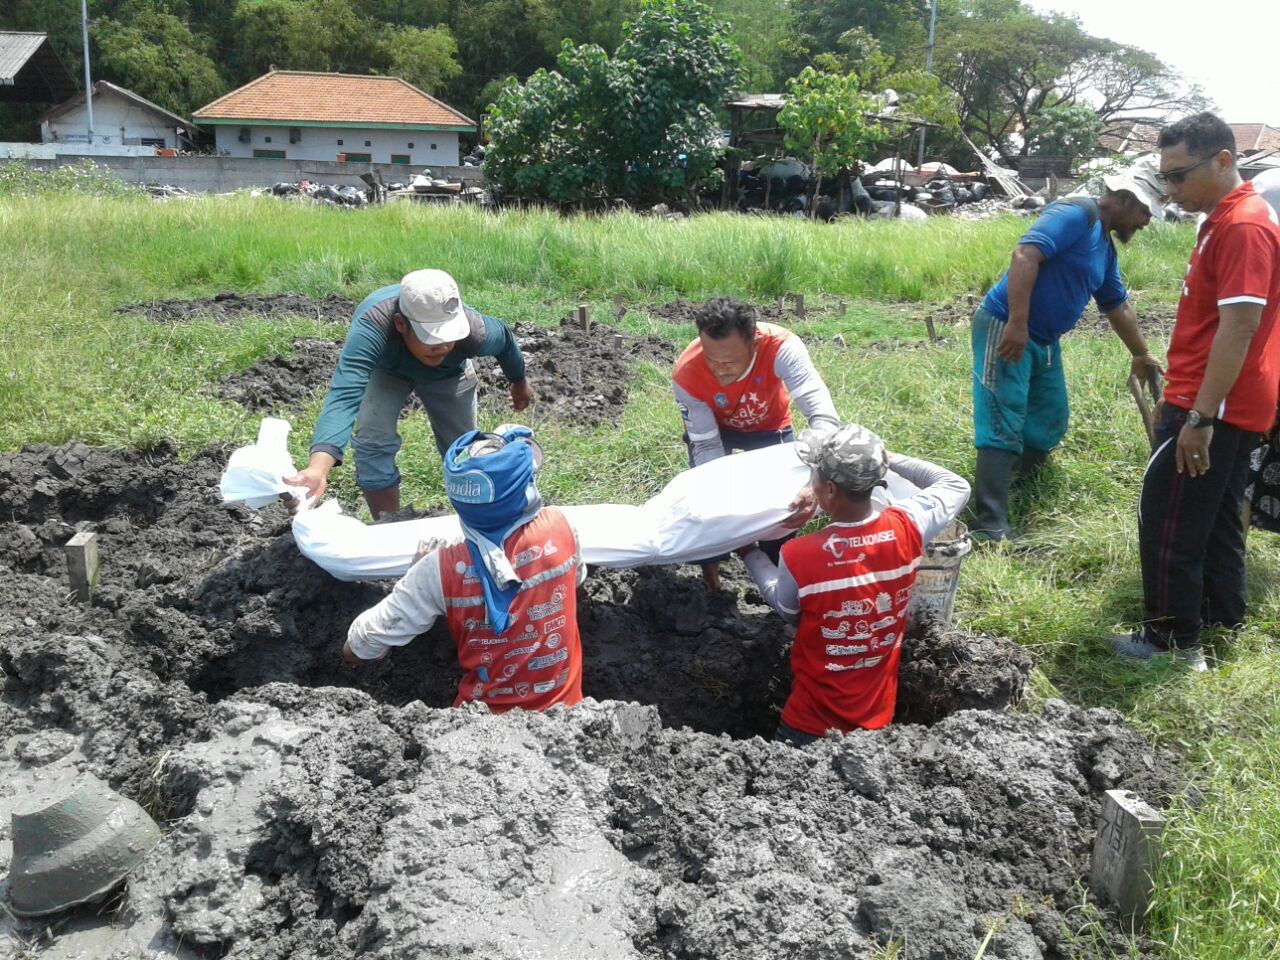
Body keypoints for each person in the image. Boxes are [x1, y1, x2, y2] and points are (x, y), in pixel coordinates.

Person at [1110, 114, 1280, 672]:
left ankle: (1172, 645)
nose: (1172, 190)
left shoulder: (1245, 226)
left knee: (1168, 523)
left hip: (1218, 406)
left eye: (1180, 176)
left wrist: (1199, 414)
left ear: (1223, 161)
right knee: (1215, 518)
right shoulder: (1220, 218)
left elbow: (1238, 328)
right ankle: (1222, 619)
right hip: (1217, 398)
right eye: (1167, 178)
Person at [739, 424, 970, 746]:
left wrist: (749, 553)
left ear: (830, 490)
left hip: (808, 725)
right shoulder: (909, 526)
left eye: (813, 475)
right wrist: (886, 458)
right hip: (875, 727)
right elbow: (954, 484)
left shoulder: (799, 555)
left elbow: (786, 608)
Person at [970, 165, 1166, 540]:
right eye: (1144, 212)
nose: (1145, 221)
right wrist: (1017, 323)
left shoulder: (1103, 245)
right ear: (1124, 200)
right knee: (1002, 414)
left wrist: (1141, 353)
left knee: (1050, 415)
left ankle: (1015, 482)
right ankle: (990, 522)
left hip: (1043, 338)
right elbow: (1025, 255)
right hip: (1007, 327)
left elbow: (1117, 305)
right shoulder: (1076, 213)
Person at [344, 425, 586, 713]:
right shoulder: (561, 528)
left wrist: (414, 577)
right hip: (571, 723)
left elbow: (360, 646)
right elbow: (576, 582)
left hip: (475, 731)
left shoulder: (439, 569)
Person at [283, 269, 534, 519]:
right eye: (432, 337)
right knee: (373, 441)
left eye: (449, 336)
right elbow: (344, 395)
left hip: (449, 373)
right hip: (387, 371)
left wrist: (519, 382)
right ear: (401, 324)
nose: (443, 346)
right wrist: (318, 469)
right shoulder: (372, 329)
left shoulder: (474, 331)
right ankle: (389, 526)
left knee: (463, 451)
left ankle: (478, 522)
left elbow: (506, 342)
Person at [672, 296, 841, 588]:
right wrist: (720, 494)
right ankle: (713, 583)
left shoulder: (782, 347)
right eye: (711, 360)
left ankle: (781, 580)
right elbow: (707, 446)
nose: (720, 370)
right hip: (717, 432)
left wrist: (815, 480)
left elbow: (824, 418)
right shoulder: (686, 374)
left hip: (770, 426)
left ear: (755, 344)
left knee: (785, 510)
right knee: (706, 507)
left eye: (731, 361)